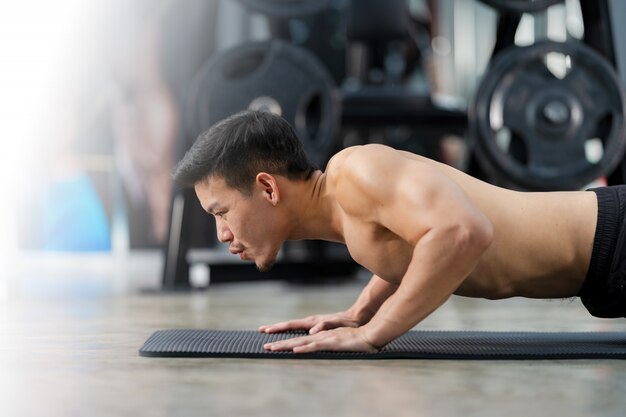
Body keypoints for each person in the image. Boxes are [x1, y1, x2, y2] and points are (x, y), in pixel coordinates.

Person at [172, 110, 625, 353]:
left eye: (221, 211)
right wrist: (359, 312)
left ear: (267, 187)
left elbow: (462, 232)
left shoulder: (356, 170)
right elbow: (411, 242)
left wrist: (375, 334)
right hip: (605, 271)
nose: (222, 234)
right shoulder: (348, 214)